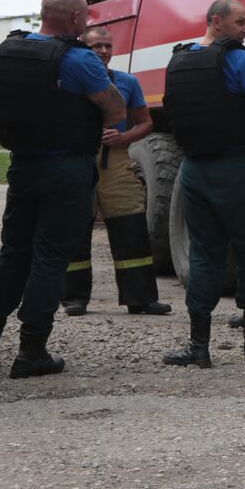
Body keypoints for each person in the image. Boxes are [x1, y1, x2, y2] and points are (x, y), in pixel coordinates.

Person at [0, 0, 126, 378]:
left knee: (13, 255)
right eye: (85, 18)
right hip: (66, 169)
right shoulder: (77, 58)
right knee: (50, 259)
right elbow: (115, 110)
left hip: (22, 165)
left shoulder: (7, 51)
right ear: (74, 20)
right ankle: (32, 351)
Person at [161, 0, 245, 368]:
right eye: (241, 22)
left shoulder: (179, 59)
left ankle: (198, 347)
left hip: (194, 170)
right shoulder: (237, 59)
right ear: (217, 22)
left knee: (205, 254)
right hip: (235, 168)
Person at [62, 26, 172, 317]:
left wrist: (125, 138)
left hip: (118, 160)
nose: (104, 51)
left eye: (108, 46)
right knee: (74, 227)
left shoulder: (126, 81)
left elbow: (145, 122)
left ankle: (141, 299)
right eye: (97, 46)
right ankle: (74, 298)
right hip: (78, 160)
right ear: (83, 49)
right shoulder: (69, 80)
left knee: (131, 227)